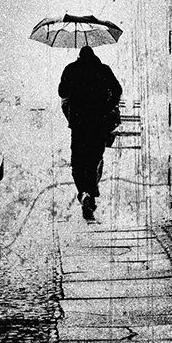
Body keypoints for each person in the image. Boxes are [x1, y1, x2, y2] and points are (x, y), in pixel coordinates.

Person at [58, 46, 122, 219]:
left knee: (78, 161)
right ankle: (91, 192)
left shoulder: (71, 69)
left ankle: (84, 192)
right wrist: (107, 107)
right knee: (95, 159)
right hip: (99, 123)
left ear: (79, 56)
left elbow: (62, 92)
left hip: (79, 124)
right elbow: (117, 90)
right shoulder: (103, 69)